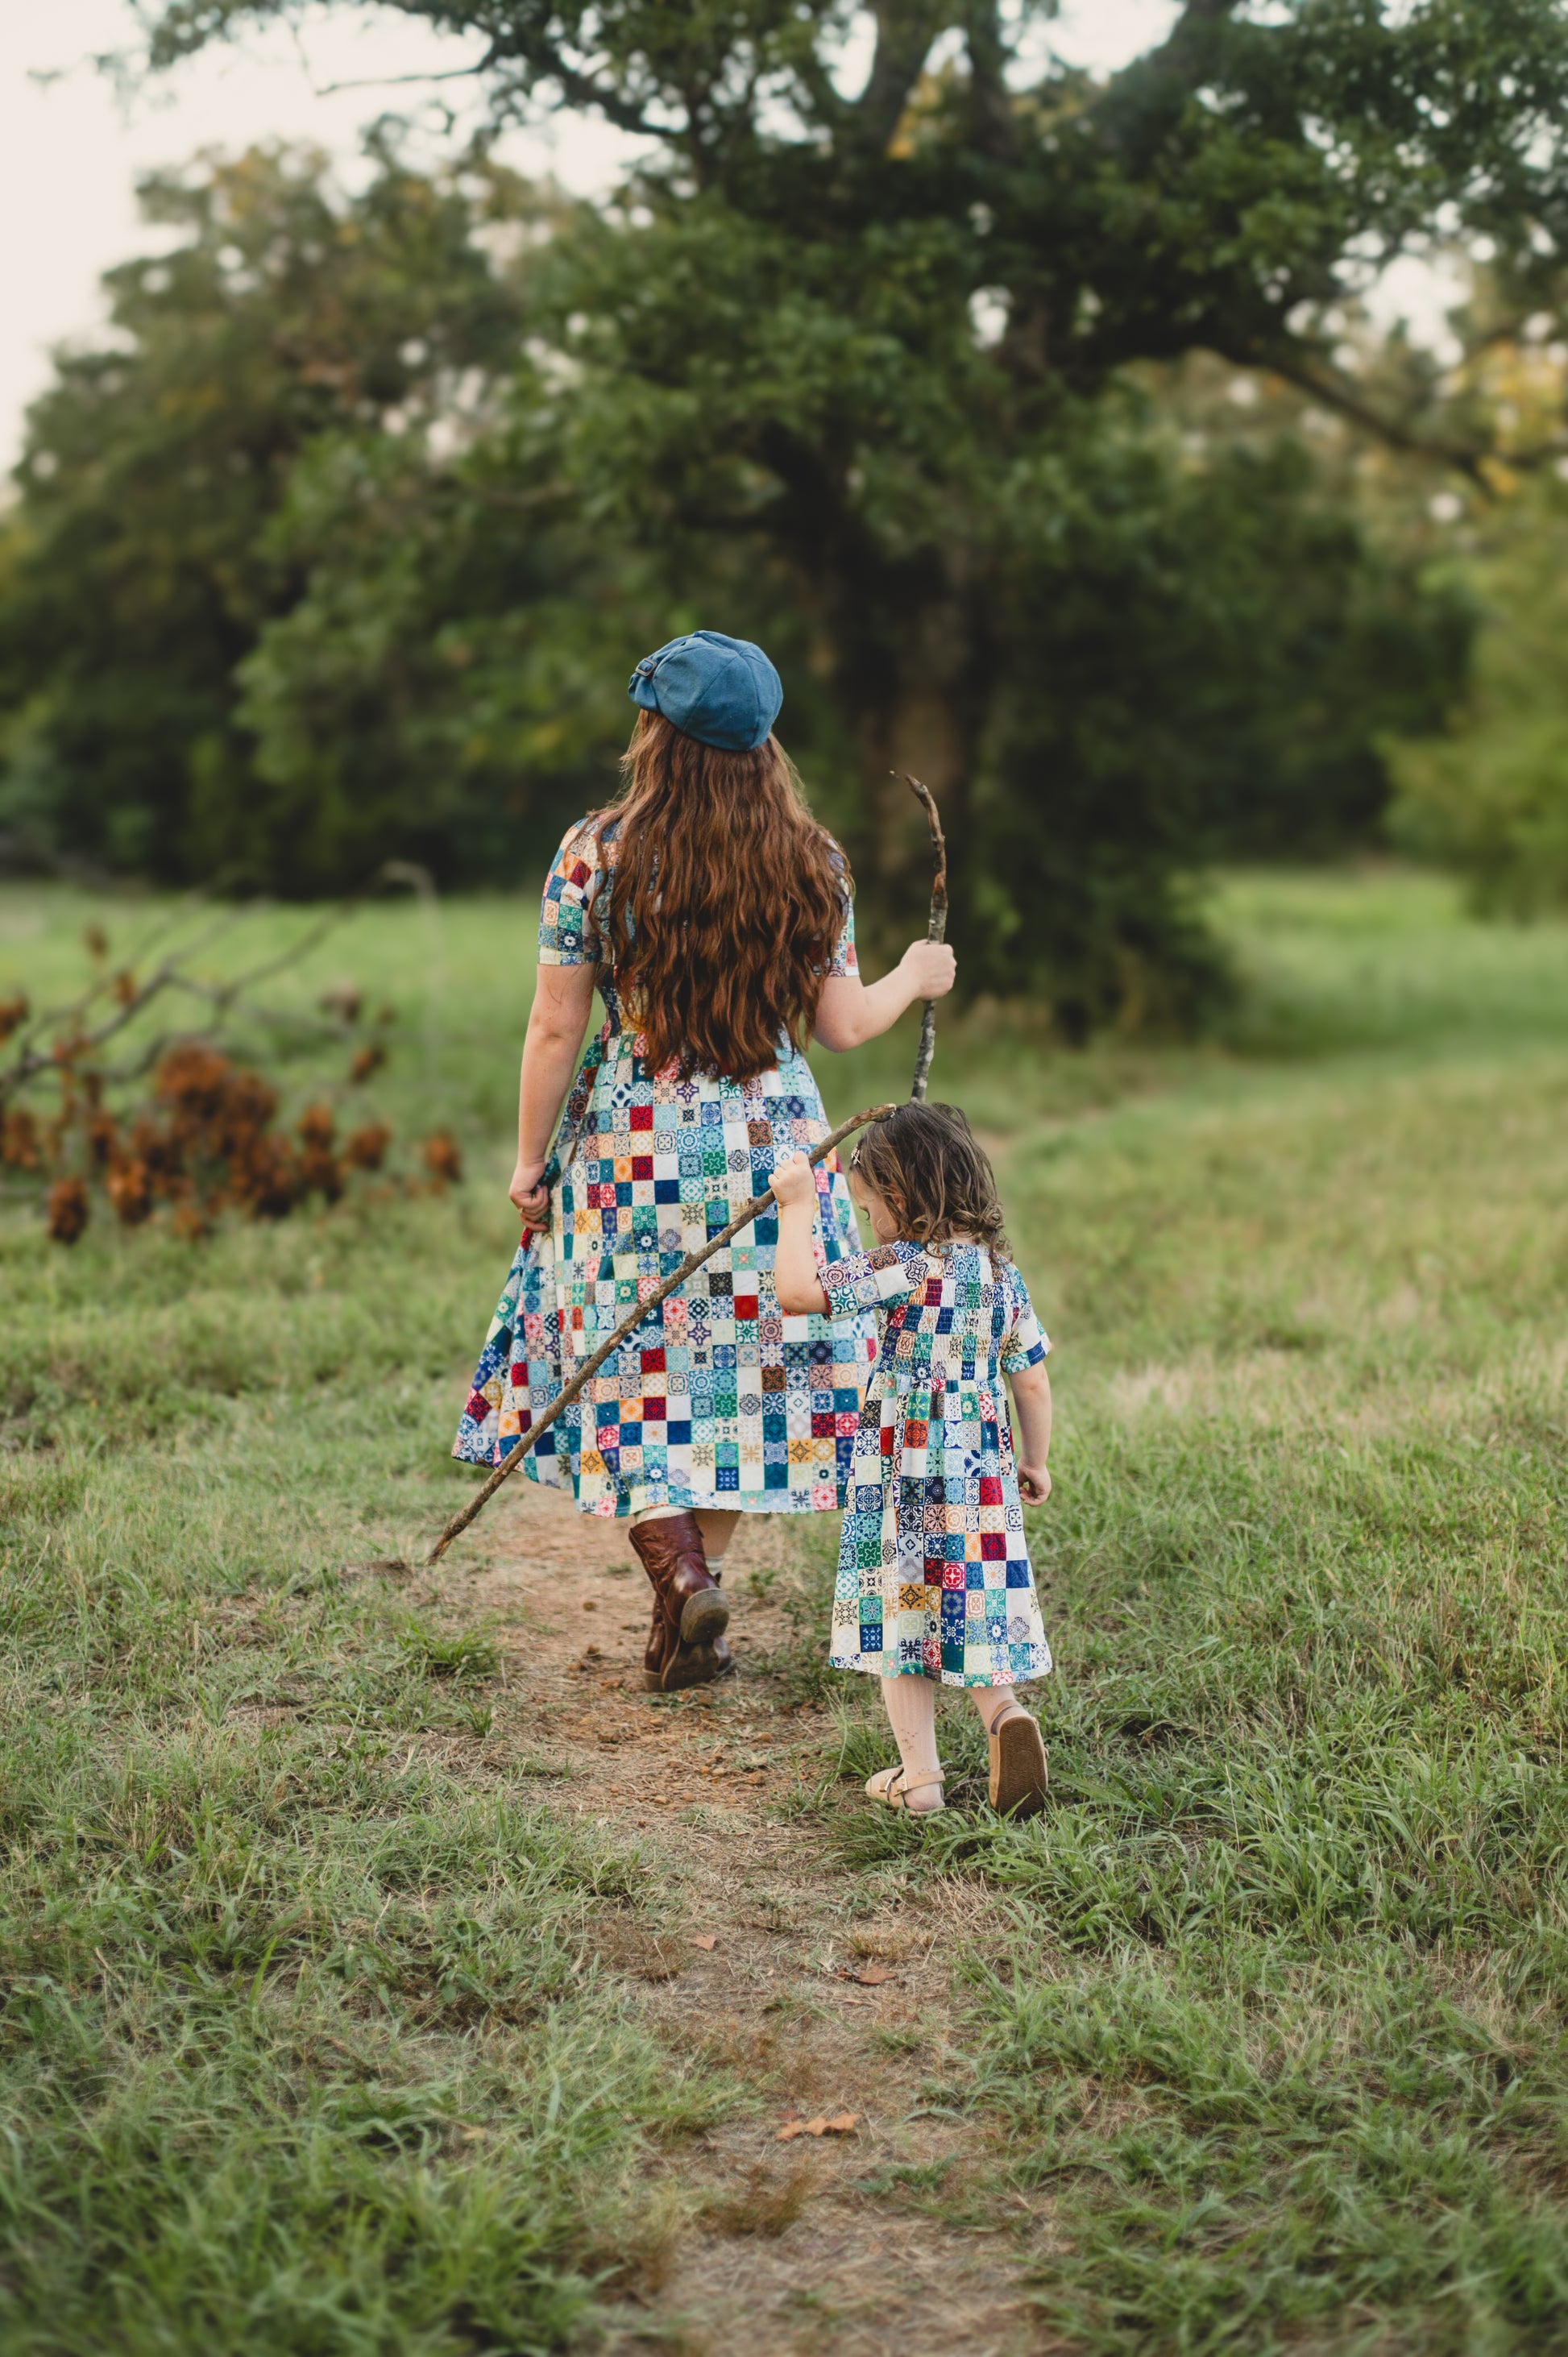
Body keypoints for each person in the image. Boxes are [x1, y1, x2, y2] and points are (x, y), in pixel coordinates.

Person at [454, 630, 956, 1693]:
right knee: (733, 1388)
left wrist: (528, 1159)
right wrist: (913, 974)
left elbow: (554, 1028)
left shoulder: (594, 851)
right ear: (765, 741)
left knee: (630, 1369)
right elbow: (844, 1026)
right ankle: (695, 1602)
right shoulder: (812, 861)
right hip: (773, 1151)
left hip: (631, 1153)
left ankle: (683, 1586)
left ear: (655, 734)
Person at [771, 1100, 1053, 1816]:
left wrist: (797, 1206)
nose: (871, 1224)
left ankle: (921, 1781)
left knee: (904, 1612)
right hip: (981, 1478)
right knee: (971, 1596)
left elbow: (797, 1292)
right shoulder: (998, 1273)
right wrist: (1037, 1459)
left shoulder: (902, 1265)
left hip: (905, 1476)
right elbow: (1032, 1376)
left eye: (869, 1211)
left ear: (898, 1198)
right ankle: (1004, 1715)